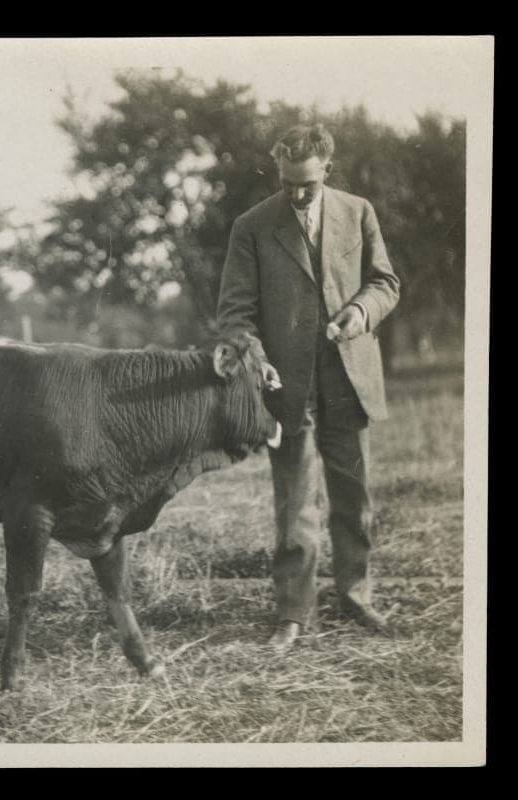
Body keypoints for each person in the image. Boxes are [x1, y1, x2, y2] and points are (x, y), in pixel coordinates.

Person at [216, 123, 400, 651]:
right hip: (286, 385)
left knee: (353, 492)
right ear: (278, 172)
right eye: (287, 183)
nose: (297, 195)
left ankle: (356, 594)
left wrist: (360, 313)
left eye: (308, 186)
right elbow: (234, 312)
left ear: (327, 171)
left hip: (349, 377)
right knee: (294, 501)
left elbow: (385, 282)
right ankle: (294, 612)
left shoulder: (358, 212)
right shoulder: (251, 226)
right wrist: (256, 357)